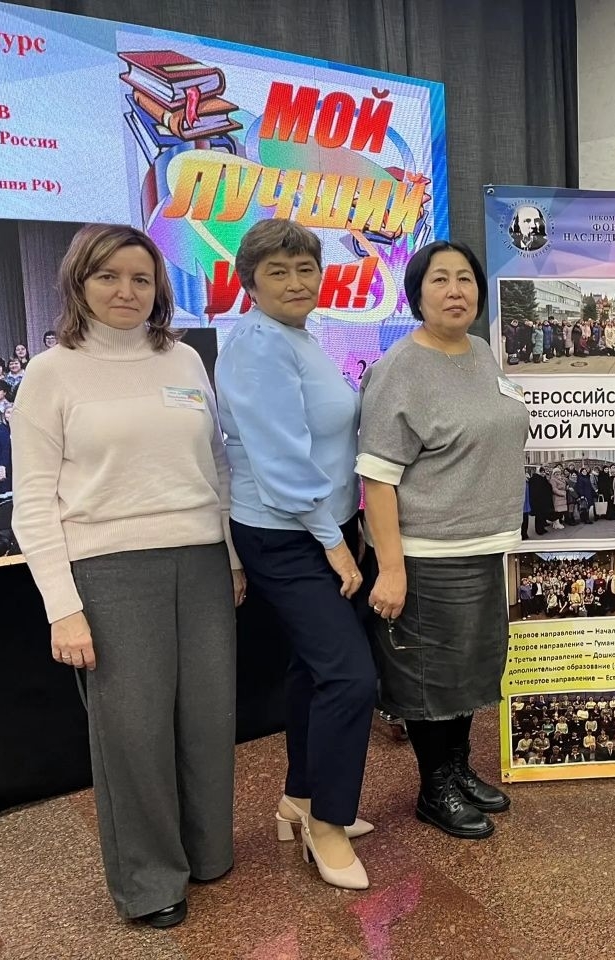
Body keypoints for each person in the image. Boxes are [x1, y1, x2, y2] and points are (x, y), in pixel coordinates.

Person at [10, 224, 244, 928]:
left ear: (159, 288)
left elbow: (217, 464)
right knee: (133, 736)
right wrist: (63, 606)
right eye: (108, 276)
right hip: (108, 572)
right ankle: (149, 882)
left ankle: (207, 852)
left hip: (201, 563)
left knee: (208, 722)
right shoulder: (52, 372)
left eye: (141, 278)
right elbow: (32, 501)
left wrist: (231, 555)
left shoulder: (183, 359)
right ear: (78, 281)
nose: (125, 291)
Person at [216, 219, 376, 892]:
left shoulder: (299, 338)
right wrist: (336, 546)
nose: (295, 282)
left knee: (313, 670)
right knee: (350, 677)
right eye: (277, 271)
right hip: (286, 534)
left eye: (305, 268)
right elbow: (282, 464)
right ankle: (327, 824)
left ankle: (300, 798)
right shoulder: (257, 345)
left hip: (323, 524)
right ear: (249, 282)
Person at [358, 239, 530, 841]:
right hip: (428, 552)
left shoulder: (480, 352)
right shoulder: (400, 369)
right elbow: (377, 478)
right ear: (416, 293)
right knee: (431, 677)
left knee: (467, 671)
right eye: (440, 279)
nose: (455, 290)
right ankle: (435, 789)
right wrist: (392, 568)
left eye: (465, 278)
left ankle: (458, 770)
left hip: (482, 545)